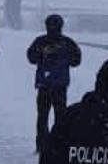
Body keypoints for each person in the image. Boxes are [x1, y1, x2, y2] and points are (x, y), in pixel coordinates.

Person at [27, 14, 83, 153]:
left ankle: (42, 145)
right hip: (60, 85)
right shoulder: (68, 42)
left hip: (44, 84)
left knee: (42, 117)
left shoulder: (40, 41)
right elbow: (76, 61)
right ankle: (60, 144)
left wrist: (42, 54)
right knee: (60, 117)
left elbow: (31, 58)